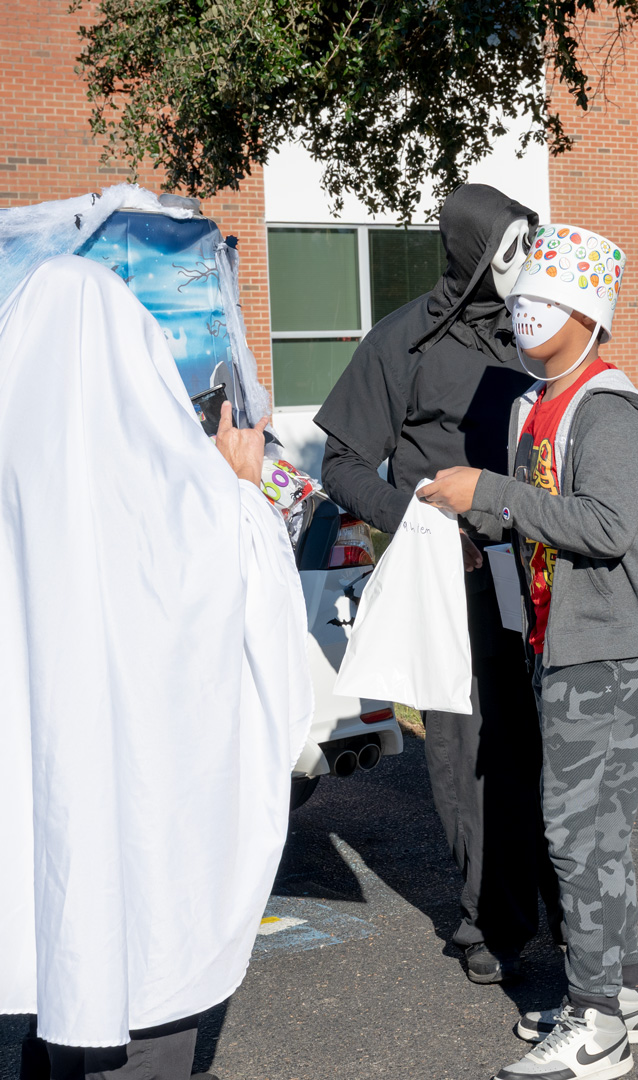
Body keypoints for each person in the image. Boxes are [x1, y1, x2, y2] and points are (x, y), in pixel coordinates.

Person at [0, 255, 314, 1079]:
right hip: (152, 827)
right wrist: (243, 488)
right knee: (145, 1007)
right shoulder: (194, 498)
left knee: (52, 990)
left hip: (37, 821)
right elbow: (267, 644)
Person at [420, 224, 638, 1080]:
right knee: (595, 831)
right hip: (568, 636)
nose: (526, 313)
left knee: (574, 833)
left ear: (587, 311)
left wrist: (489, 492)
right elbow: (546, 517)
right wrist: (485, 521)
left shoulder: (605, 407)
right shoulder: (544, 399)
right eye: (523, 297)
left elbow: (608, 529)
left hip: (612, 644)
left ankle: (596, 1023)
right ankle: (623, 995)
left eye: (546, 300)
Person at [315, 184, 560, 983]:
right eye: (508, 247)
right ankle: (490, 920)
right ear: (471, 250)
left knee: (552, 742)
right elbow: (342, 464)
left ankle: (575, 910)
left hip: (544, 569)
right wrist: (416, 520)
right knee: (466, 752)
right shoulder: (401, 344)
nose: (522, 264)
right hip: (449, 580)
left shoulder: (536, 337)